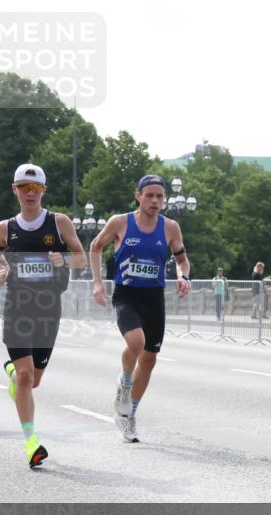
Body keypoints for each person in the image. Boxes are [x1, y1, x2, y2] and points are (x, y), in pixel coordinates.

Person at [0, 164, 87, 467]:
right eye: (24, 187)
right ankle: (31, 443)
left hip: (48, 311)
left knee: (33, 380)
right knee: (27, 377)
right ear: (14, 189)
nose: (30, 193)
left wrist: (63, 258)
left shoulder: (59, 223)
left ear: (43, 191)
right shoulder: (6, 228)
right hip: (17, 309)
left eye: (36, 188)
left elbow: (82, 256)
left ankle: (12, 372)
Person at [90, 174, 191, 443]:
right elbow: (95, 246)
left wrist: (184, 276)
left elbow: (182, 259)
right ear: (138, 196)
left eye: (160, 196)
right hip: (127, 295)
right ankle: (124, 382)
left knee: (149, 359)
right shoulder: (121, 222)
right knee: (136, 342)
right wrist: (98, 283)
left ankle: (128, 416)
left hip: (154, 298)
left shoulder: (170, 227)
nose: (155, 201)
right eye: (150, 195)